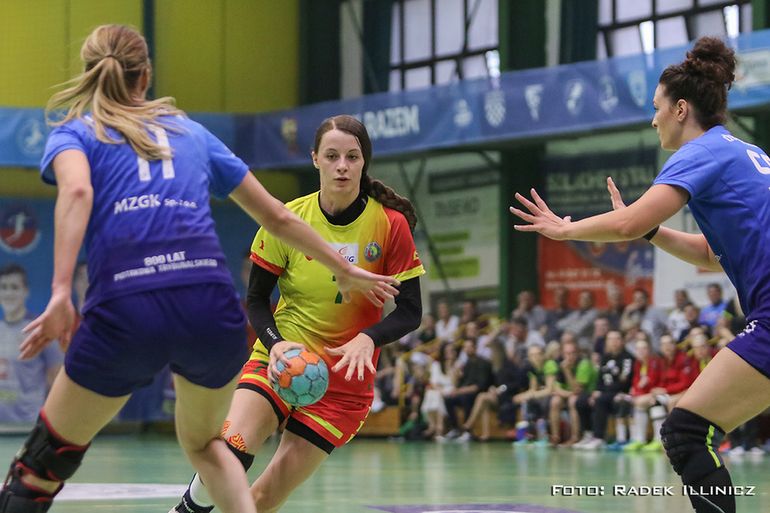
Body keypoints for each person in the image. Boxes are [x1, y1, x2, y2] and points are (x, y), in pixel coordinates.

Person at [0, 25, 399, 513]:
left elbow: (78, 192)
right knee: (209, 448)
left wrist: (62, 291)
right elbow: (277, 216)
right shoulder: (189, 131)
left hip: (128, 306)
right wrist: (346, 269)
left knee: (42, 464)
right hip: (209, 309)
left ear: (91, 72)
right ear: (146, 76)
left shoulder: (75, 132)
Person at [511, 36, 766, 512]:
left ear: (681, 109)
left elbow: (627, 223)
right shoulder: (743, 152)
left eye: (656, 108)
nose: (653, 120)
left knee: (687, 430)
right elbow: (711, 254)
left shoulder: (699, 153)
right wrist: (649, 230)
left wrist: (564, 230)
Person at [170, 114, 424, 513]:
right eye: (332, 156)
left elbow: (410, 311)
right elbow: (257, 300)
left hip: (342, 383)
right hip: (281, 359)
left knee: (261, 500)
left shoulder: (389, 226)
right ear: (315, 159)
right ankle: (186, 511)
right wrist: (275, 345)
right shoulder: (287, 220)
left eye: (352, 157)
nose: (342, 166)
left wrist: (368, 338)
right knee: (231, 450)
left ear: (364, 162)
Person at [0, 264, 63, 424]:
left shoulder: (41, 329)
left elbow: (56, 380)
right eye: (3, 287)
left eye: (14, 287)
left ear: (26, 291)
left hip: (28, 424)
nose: (8, 293)